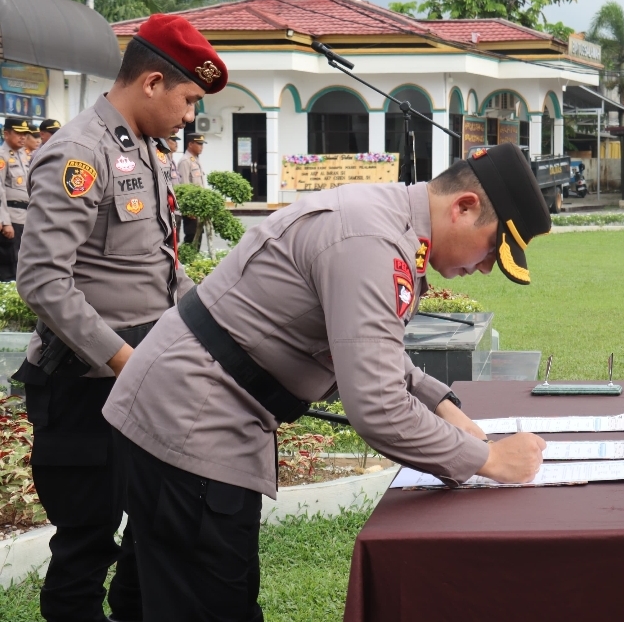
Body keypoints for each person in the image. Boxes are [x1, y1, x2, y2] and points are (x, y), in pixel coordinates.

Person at [103, 143, 550, 621]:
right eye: (491, 248)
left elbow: (361, 339)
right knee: (209, 605)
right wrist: (489, 460)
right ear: (465, 207)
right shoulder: (373, 241)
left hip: (185, 402)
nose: (484, 268)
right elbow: (377, 407)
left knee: (152, 597)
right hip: (194, 418)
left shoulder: (384, 220)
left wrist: (439, 402)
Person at [15, 13, 227, 622]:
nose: (190, 116)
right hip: (88, 382)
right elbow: (43, 280)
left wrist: (209, 327)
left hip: (142, 370)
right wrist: (125, 362)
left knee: (150, 534)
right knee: (86, 544)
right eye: (188, 99)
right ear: (153, 82)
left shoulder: (144, 149)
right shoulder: (80, 153)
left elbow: (157, 265)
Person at [0, 117, 32, 281]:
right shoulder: (2, 156)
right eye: (19, 133)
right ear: (6, 134)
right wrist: (5, 221)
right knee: (11, 267)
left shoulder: (27, 156)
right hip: (12, 219)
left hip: (27, 218)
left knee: (25, 264)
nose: (23, 137)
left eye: (25, 134)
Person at [177, 133, 206, 245]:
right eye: (199, 144)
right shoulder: (185, 161)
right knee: (191, 236)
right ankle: (188, 261)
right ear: (190, 144)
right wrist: (189, 209)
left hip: (198, 206)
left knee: (198, 235)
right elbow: (184, 186)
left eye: (202, 144)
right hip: (191, 208)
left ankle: (193, 260)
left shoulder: (195, 160)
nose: (201, 146)